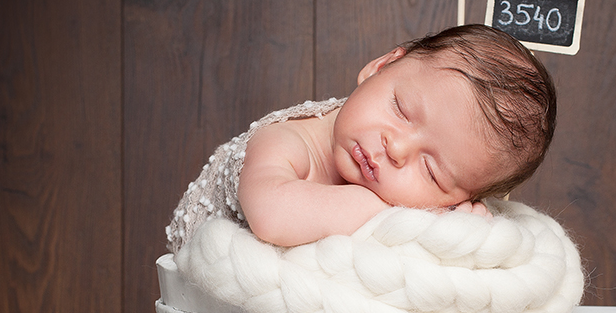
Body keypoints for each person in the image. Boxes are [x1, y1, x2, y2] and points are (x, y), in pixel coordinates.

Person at [167, 24, 556, 250]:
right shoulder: (288, 141)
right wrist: (403, 216)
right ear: (381, 67)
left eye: (432, 172)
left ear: (462, 198)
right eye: (401, 110)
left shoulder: (426, 193)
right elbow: (271, 216)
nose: (397, 148)